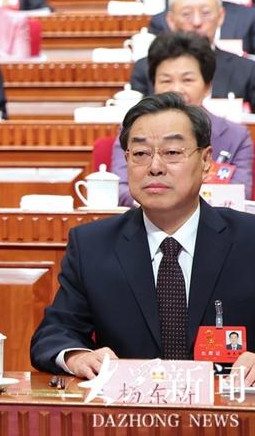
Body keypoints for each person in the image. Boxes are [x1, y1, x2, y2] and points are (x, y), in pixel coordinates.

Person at [30, 92, 255, 381]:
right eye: (140, 154)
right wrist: (77, 356)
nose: (155, 167)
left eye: (172, 153)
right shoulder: (92, 246)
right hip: (128, 406)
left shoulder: (249, 240)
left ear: (206, 161)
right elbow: (54, 334)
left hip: (229, 406)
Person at [112, 31, 252, 204]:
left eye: (187, 80)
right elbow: (120, 188)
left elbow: (240, 192)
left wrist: (181, 208)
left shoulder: (236, 136)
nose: (176, 89)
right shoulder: (133, 130)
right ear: (153, 85)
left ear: (207, 86)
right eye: (166, 81)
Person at [130, 0, 255, 106]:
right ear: (170, 20)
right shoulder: (145, 68)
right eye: (186, 14)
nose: (197, 22)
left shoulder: (247, 69)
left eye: (205, 13)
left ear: (221, 16)